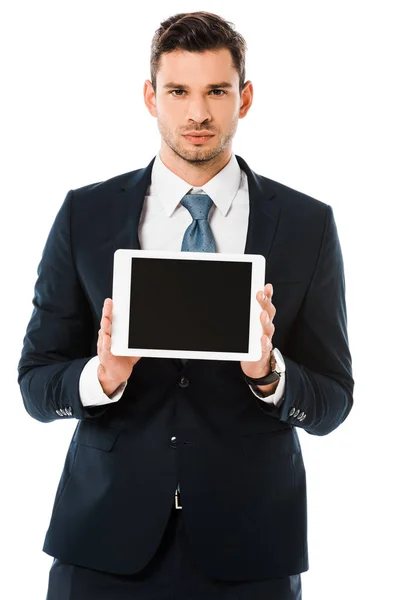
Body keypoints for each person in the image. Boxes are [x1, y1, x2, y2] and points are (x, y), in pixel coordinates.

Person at [17, 10, 354, 600]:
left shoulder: (307, 225)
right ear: (151, 97)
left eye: (216, 91)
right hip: (102, 546)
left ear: (244, 98)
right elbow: (35, 384)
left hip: (252, 550)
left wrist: (269, 375)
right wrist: (101, 378)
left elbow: (333, 401)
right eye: (178, 91)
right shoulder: (85, 214)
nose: (197, 113)